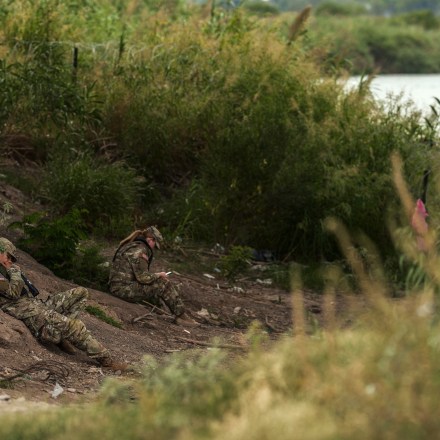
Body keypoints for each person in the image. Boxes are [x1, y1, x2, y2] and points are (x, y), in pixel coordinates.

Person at [0, 237, 127, 371]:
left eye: (12, 259)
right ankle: (107, 360)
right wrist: (14, 273)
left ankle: (62, 336)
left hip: (35, 305)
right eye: (9, 256)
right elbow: (13, 293)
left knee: (81, 293)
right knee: (75, 326)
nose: (10, 261)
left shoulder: (4, 269)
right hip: (29, 313)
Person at [109, 226, 197, 326]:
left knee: (157, 283)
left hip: (118, 287)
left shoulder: (131, 245)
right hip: (122, 290)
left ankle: (172, 310)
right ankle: (181, 316)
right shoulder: (140, 250)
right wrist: (159, 275)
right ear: (150, 240)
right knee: (162, 283)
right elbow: (143, 278)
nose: (154, 247)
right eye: (155, 244)